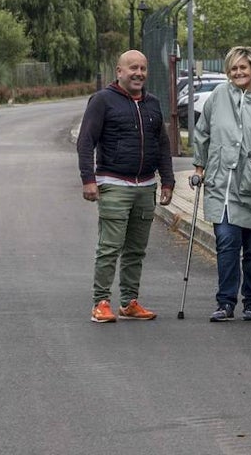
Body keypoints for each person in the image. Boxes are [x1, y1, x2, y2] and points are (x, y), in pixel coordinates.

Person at [191, 46, 251, 322]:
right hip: (222, 186)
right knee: (226, 243)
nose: (238, 72)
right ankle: (225, 302)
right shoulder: (218, 96)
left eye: (243, 68)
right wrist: (200, 166)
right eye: (233, 68)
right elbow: (202, 133)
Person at [76, 49, 174, 324]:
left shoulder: (153, 103)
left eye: (142, 68)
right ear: (119, 71)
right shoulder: (102, 101)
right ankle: (101, 302)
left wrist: (167, 180)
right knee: (110, 247)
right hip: (114, 184)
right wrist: (88, 179)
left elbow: (163, 145)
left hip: (146, 186)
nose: (138, 73)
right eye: (132, 68)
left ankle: (130, 302)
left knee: (136, 249)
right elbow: (85, 142)